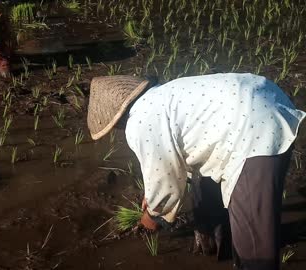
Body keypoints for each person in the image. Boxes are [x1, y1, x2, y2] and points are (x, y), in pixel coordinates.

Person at [86, 73, 305, 270]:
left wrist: (150, 218)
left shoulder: (139, 122)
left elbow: (165, 182)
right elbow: (176, 159)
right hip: (268, 96)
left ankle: (252, 260)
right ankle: (215, 245)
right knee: (203, 183)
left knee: (254, 234)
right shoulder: (163, 95)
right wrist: (152, 194)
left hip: (255, 129)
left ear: (116, 120)